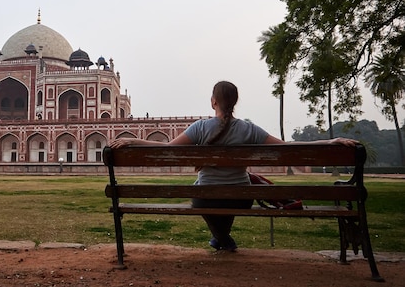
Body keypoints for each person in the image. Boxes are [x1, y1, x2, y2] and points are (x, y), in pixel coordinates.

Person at [109, 80, 357, 252]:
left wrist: (132, 140)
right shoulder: (249, 128)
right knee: (228, 194)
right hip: (242, 198)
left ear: (212, 102)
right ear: (235, 102)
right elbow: (288, 147)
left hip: (204, 197)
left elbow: (165, 149)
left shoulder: (200, 127)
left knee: (205, 194)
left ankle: (222, 238)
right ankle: (222, 239)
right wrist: (330, 141)